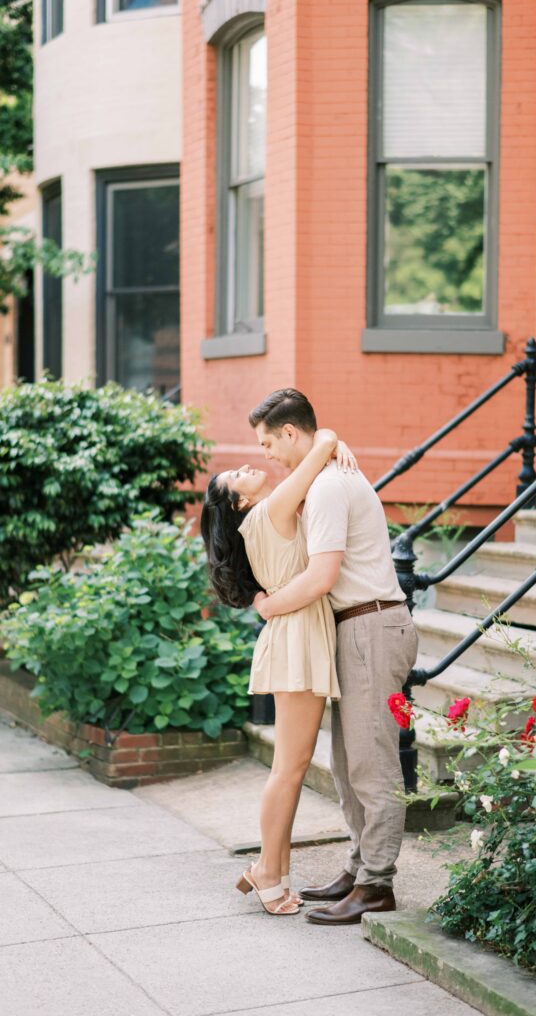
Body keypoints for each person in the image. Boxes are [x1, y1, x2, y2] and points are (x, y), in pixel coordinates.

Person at [249, 388, 419, 926]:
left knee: (372, 765)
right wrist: (330, 440)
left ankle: (376, 885)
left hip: (371, 623)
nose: (267, 455)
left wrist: (270, 606)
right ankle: (357, 867)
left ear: (291, 433)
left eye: (269, 442)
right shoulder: (323, 474)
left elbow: (322, 576)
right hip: (356, 626)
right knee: (349, 765)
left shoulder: (326, 488)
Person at [201, 427, 356, 916]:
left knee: (290, 767)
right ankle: (267, 872)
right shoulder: (269, 510)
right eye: (235, 478)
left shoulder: (269, 513)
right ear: (239, 505)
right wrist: (332, 438)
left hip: (296, 632)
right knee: (289, 768)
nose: (247, 467)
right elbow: (319, 449)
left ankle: (274, 872)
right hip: (295, 636)